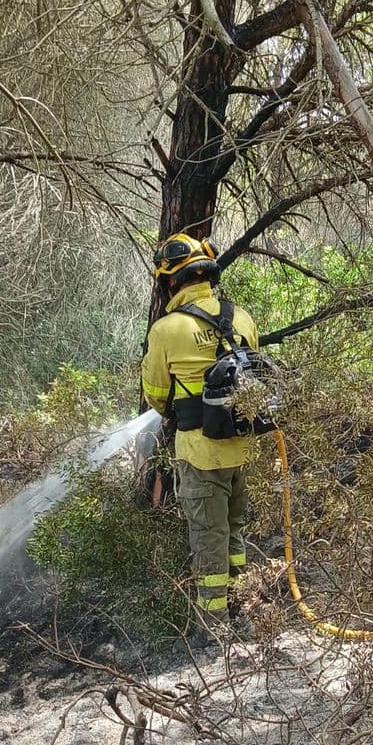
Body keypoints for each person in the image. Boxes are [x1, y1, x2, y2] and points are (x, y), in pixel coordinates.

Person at [141, 232, 259, 647]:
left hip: (199, 452)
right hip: (241, 448)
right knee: (234, 531)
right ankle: (243, 604)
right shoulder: (241, 317)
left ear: (171, 282)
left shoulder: (167, 329)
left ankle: (215, 629)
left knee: (207, 540)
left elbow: (156, 396)